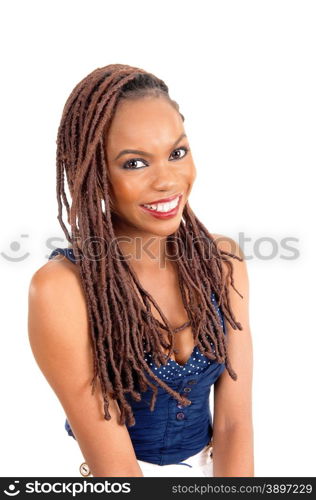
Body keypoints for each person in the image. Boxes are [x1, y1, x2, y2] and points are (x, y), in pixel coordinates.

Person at [28, 64, 254, 477]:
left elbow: (234, 423)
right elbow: (115, 470)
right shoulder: (62, 289)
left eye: (177, 153)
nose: (167, 181)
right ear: (94, 172)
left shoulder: (223, 263)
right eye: (134, 164)